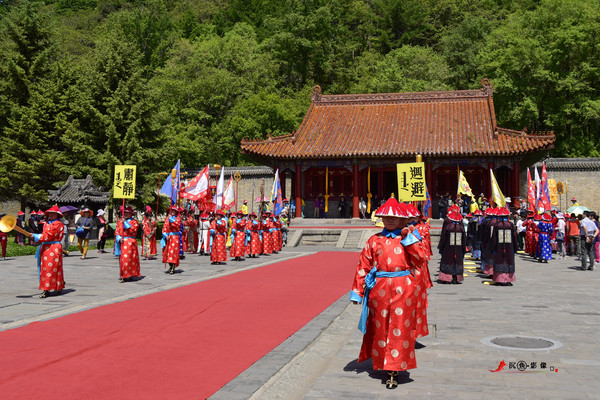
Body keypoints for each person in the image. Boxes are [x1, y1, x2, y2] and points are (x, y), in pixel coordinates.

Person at [350, 198, 426, 389]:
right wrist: (357, 292)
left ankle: (395, 368)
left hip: (404, 288)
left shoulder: (408, 237)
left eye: (394, 217)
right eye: (387, 217)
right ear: (382, 219)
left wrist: (410, 239)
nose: (390, 220)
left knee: (400, 327)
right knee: (381, 328)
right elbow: (363, 266)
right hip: (380, 288)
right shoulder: (374, 240)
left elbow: (420, 259)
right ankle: (383, 364)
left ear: (401, 219)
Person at [28, 205, 66, 298]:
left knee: (53, 267)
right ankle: (47, 288)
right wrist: (37, 236)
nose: (51, 215)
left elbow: (50, 235)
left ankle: (53, 287)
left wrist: (37, 236)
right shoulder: (46, 223)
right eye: (50, 213)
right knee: (45, 268)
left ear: (58, 215)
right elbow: (45, 234)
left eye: (54, 213)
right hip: (45, 247)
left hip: (54, 247)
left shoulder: (58, 224)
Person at [487, 207, 519, 285]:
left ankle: (500, 280)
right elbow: (514, 237)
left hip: (499, 247)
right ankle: (508, 280)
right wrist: (516, 247)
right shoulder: (510, 225)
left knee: (499, 261)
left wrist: (492, 248)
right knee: (508, 262)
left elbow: (493, 238)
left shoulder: (497, 225)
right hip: (509, 247)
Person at [438, 210, 467, 284]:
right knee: (456, 263)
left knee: (448, 262)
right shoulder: (461, 228)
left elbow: (443, 239)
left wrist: (441, 247)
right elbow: (464, 240)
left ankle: (447, 278)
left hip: (448, 248)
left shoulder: (448, 227)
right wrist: (464, 249)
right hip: (459, 249)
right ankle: (455, 278)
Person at [116, 206, 141, 282]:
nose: (126, 214)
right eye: (125, 213)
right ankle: (123, 274)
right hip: (122, 242)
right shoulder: (120, 221)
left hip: (130, 242)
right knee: (123, 260)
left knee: (130, 259)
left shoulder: (134, 222)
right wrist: (119, 238)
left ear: (131, 214)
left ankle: (130, 274)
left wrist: (125, 223)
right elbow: (117, 231)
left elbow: (133, 230)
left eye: (128, 213)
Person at [162, 206, 182, 274]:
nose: (171, 212)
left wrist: (170, 219)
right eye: (170, 211)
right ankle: (170, 266)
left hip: (175, 237)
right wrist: (165, 235)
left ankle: (173, 266)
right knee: (168, 253)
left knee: (173, 252)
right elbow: (164, 227)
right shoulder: (167, 219)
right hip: (169, 238)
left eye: (173, 211)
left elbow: (176, 225)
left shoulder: (178, 219)